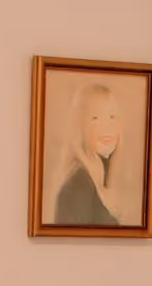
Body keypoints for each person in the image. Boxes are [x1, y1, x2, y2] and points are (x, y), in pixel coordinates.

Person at [52, 79, 129, 225]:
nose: (107, 126)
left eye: (112, 117)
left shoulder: (102, 173)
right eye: (95, 118)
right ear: (81, 125)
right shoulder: (78, 185)